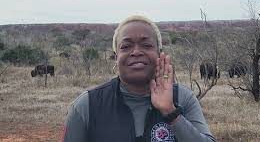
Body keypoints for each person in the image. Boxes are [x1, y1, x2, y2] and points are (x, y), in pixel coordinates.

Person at [63, 15, 217, 142]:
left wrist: (171, 112)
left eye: (147, 45)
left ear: (159, 53)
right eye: (126, 46)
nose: (136, 52)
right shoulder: (87, 106)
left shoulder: (183, 98)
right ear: (116, 57)